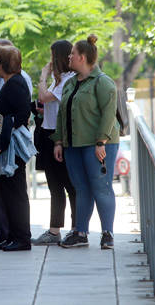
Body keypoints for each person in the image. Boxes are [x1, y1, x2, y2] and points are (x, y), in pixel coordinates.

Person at [51, 34, 120, 249]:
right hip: (73, 145)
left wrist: (101, 142)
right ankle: (80, 232)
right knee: (81, 188)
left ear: (82, 57)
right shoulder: (71, 83)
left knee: (101, 187)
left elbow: (109, 114)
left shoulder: (103, 82)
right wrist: (59, 141)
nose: (69, 57)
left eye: (72, 54)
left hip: (97, 144)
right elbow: (63, 113)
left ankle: (107, 233)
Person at [0, 38, 32, 245]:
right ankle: (13, 235)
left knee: (15, 192)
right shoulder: (12, 82)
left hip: (12, 145)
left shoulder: (15, 84)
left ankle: (21, 236)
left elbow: (14, 116)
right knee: (8, 192)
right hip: (7, 144)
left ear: (2, 63)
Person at [31, 40, 77, 246]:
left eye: (52, 56)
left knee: (69, 185)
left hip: (60, 137)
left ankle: (77, 228)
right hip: (49, 133)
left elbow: (43, 96)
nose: (50, 61)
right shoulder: (58, 80)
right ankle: (54, 229)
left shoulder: (68, 78)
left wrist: (42, 76)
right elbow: (48, 103)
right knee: (54, 185)